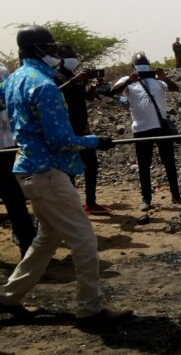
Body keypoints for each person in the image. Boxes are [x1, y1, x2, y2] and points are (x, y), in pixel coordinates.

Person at [0, 25, 132, 326]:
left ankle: (9, 296)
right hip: (48, 173)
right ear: (35, 49)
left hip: (27, 171)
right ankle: (90, 309)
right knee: (84, 240)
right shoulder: (44, 86)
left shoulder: (15, 81)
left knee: (46, 239)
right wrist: (97, 141)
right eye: (50, 47)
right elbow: (61, 140)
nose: (55, 53)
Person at [111, 53, 181, 211]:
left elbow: (175, 88)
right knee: (144, 165)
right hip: (141, 129)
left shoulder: (157, 81)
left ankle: (176, 196)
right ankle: (146, 198)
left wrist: (164, 77)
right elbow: (113, 92)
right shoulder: (128, 82)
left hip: (161, 127)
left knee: (169, 163)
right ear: (133, 68)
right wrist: (129, 81)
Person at [56, 45, 111, 215]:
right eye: (69, 55)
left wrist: (92, 86)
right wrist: (75, 81)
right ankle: (71, 205)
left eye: (74, 55)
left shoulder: (74, 76)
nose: (73, 58)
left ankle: (90, 202)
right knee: (69, 169)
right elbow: (55, 94)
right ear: (60, 58)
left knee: (91, 165)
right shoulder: (56, 77)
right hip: (67, 128)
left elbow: (88, 97)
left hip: (83, 127)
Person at [0, 63, 36, 259]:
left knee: (13, 197)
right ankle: (28, 246)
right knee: (14, 197)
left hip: (3, 142)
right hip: (7, 142)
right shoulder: (3, 69)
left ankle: (28, 245)